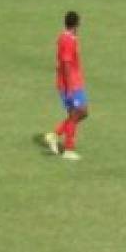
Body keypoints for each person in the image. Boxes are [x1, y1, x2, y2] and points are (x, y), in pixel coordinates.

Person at [44, 11, 87, 162]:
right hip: (70, 84)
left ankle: (55, 136)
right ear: (77, 24)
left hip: (74, 82)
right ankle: (68, 148)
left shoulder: (67, 37)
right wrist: (69, 87)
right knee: (78, 113)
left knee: (81, 113)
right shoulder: (68, 40)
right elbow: (66, 63)